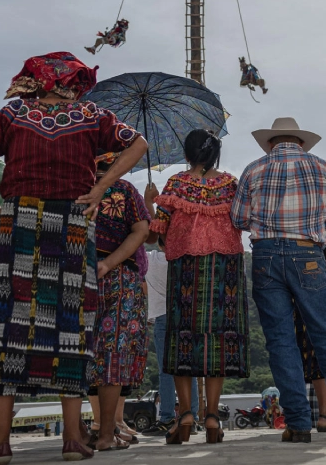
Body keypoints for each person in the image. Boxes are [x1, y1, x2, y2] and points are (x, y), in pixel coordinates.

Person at [0, 51, 148, 463]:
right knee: (72, 326)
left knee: (5, 325)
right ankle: (72, 439)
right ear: (72, 81)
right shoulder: (91, 114)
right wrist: (101, 187)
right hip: (72, 223)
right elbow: (139, 143)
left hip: (20, 223)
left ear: (35, 79)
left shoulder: (13, 115)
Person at [230, 117, 326, 443]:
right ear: (301, 142)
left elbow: (238, 218)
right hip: (308, 255)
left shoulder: (253, 169)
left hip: (265, 257)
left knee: (281, 342)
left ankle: (298, 425)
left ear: (271, 142)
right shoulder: (323, 167)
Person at [147, 129, 250, 445]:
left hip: (186, 268)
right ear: (214, 155)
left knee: (183, 338)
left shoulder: (176, 184)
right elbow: (243, 221)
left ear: (187, 155)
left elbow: (155, 235)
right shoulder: (231, 185)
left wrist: (152, 203)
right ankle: (213, 417)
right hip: (224, 270)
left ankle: (185, 415)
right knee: (217, 340)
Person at [86, 152, 150, 451]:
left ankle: (74, 433)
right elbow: (142, 230)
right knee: (113, 353)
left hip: (71, 275)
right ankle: (105, 434)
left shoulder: (73, 184)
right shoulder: (124, 190)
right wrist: (109, 262)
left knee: (74, 351)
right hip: (120, 278)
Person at [143, 243, 200, 434]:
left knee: (165, 371)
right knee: (188, 369)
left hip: (162, 315)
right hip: (187, 315)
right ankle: (192, 416)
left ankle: (167, 417)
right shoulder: (187, 260)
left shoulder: (151, 259)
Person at [295, 232, 326, 432]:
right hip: (314, 290)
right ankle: (324, 415)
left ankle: (296, 419)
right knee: (319, 351)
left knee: (289, 354)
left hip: (287, 297)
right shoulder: (316, 223)